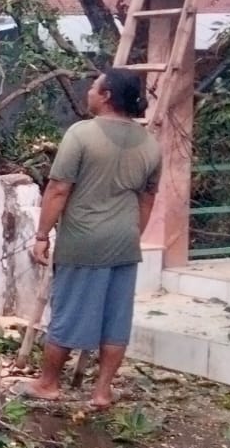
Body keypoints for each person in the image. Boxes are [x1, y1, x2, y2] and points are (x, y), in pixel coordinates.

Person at [27, 69, 161, 410]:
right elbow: (147, 200)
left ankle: (48, 383)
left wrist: (42, 234)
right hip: (124, 242)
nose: (88, 92)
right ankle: (101, 392)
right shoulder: (150, 143)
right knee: (115, 322)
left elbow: (58, 188)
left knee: (68, 313)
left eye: (93, 87)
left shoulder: (81, 134)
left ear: (106, 96)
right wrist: (133, 234)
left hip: (83, 241)